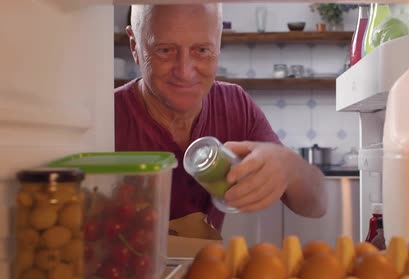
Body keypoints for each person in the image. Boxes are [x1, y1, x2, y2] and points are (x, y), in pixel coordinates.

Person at [115, 4, 327, 231]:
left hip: (204, 264)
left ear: (218, 44)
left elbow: (317, 205)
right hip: (126, 265)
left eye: (202, 50)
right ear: (134, 45)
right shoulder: (108, 117)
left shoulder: (235, 104)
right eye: (165, 50)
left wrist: (290, 167)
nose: (185, 72)